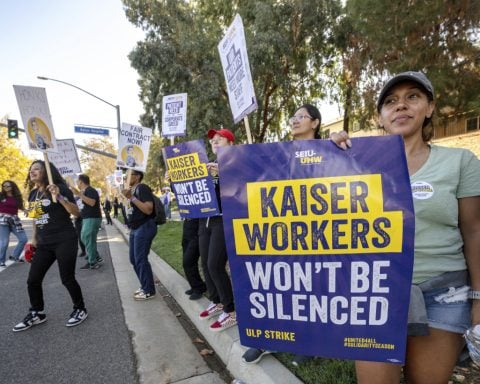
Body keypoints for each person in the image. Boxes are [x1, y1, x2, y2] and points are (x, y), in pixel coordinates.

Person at [330, 71, 480, 384]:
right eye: (391, 101)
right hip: (372, 292)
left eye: (412, 97)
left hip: (443, 295)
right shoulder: (355, 164)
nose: (401, 106)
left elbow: (474, 231)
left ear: (429, 107)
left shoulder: (461, 162)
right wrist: (327, 155)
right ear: (381, 117)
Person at [242, 104, 322, 364]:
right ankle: (268, 339)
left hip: (315, 233)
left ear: (316, 123)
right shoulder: (279, 153)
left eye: (301, 116)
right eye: (293, 116)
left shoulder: (328, 151)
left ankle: (309, 344)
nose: (295, 120)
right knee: (275, 285)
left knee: (309, 288)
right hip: (280, 232)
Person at [13, 160, 87, 332]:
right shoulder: (33, 194)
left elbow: (76, 213)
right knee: (33, 280)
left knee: (67, 278)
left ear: (46, 172)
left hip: (64, 239)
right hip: (44, 243)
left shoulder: (59, 188)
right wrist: (34, 239)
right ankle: (37, 313)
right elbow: (36, 219)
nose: (32, 172)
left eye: (37, 169)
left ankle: (80, 309)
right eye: (31, 170)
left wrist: (59, 196)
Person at [198, 128, 237, 332]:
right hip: (207, 219)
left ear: (230, 142)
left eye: (219, 139)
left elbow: (243, 187)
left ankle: (231, 311)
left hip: (225, 220)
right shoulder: (209, 166)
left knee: (215, 264)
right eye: (213, 140)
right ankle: (218, 301)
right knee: (206, 263)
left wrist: (224, 173)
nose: (215, 141)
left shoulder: (236, 162)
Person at [122, 170, 157, 300]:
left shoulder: (142, 188)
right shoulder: (131, 190)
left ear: (137, 177)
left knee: (140, 259)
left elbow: (148, 209)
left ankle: (149, 290)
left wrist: (132, 197)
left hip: (145, 226)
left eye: (128, 176)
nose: (125, 178)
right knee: (133, 259)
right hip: (135, 228)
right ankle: (144, 285)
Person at [71, 174, 102, 269]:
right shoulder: (85, 191)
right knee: (85, 238)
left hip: (92, 218)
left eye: (77, 182)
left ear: (81, 182)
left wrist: (79, 194)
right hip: (87, 218)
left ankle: (92, 262)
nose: (77, 184)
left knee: (87, 238)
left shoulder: (91, 190)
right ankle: (95, 256)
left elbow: (92, 202)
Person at [0, 180, 28, 266]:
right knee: (4, 242)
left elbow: (20, 206)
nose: (6, 188)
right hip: (2, 220)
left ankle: (14, 256)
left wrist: (25, 210)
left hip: (14, 220)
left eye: (8, 186)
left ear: (12, 186)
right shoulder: (1, 196)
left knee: (23, 239)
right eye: (4, 186)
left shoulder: (17, 196)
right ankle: (1, 260)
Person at [182, 218, 207, 300]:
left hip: (197, 230)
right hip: (187, 228)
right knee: (188, 261)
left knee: (188, 261)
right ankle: (195, 286)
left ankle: (199, 288)